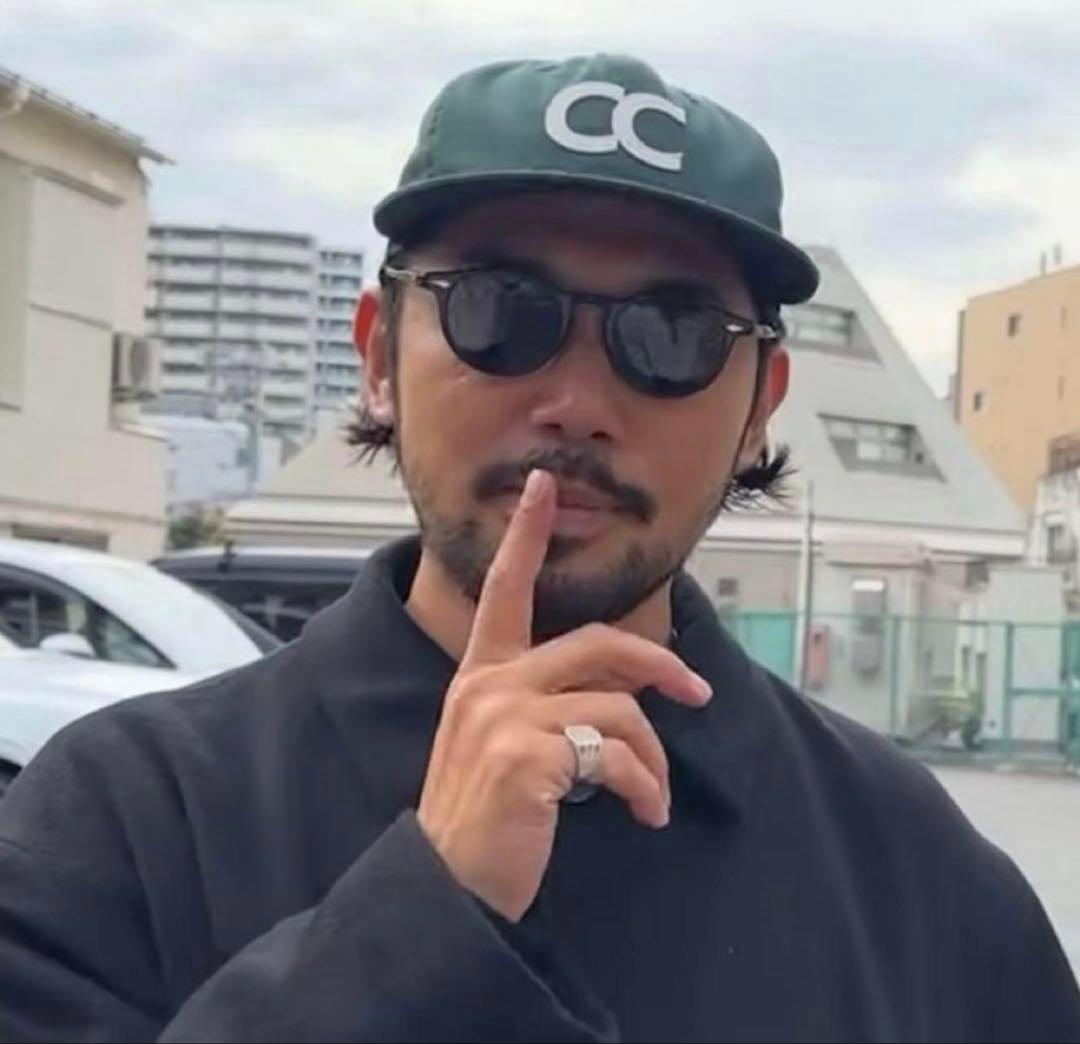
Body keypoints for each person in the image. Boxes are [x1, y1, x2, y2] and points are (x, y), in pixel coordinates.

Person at [0, 53, 1077, 1044]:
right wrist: (423, 917)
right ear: (379, 357)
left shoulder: (915, 871)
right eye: (499, 309)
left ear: (760, 407)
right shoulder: (120, 820)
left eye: (672, 336)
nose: (577, 404)